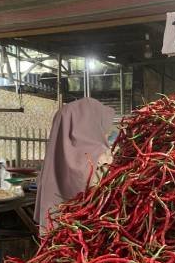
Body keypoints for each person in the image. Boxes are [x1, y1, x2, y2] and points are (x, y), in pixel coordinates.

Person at [35, 98, 115, 231]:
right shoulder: (101, 159)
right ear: (92, 124)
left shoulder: (52, 162)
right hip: (90, 239)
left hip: (55, 235)